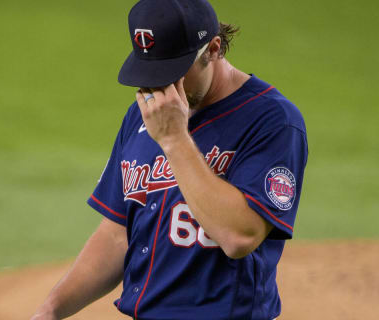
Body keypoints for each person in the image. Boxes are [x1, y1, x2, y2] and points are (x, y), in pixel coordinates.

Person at [31, 0, 307, 319]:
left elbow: (239, 236)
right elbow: (118, 233)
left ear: (214, 49)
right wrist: (51, 310)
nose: (158, 86)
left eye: (171, 71)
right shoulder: (144, 113)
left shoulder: (271, 120)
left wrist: (174, 139)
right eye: (149, 71)